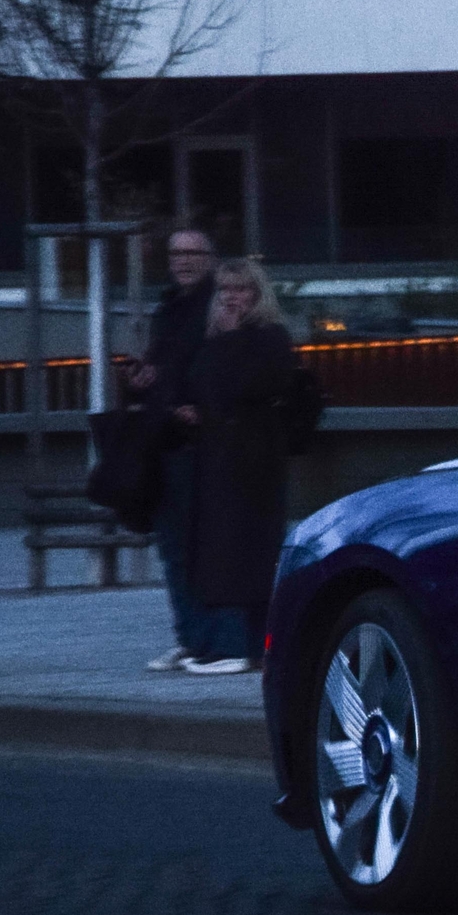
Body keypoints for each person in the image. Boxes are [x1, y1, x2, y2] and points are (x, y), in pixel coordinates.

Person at [175, 257, 294, 675]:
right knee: (221, 548)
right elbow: (203, 385)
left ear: (257, 295)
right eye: (225, 290)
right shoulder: (215, 339)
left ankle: (243, 646)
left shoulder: (270, 338)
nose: (231, 298)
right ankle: (232, 642)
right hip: (218, 456)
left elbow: (245, 386)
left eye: (240, 289)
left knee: (248, 551)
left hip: (254, 459)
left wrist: (229, 341)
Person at [129, 229, 227, 670]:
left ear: (210, 257)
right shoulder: (167, 308)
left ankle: (208, 640)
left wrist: (197, 405)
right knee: (173, 547)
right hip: (165, 436)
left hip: (200, 441)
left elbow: (218, 366)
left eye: (192, 253)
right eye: (176, 253)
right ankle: (189, 638)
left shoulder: (218, 305)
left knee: (199, 547)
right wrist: (143, 380)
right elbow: (162, 367)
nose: (183, 260)